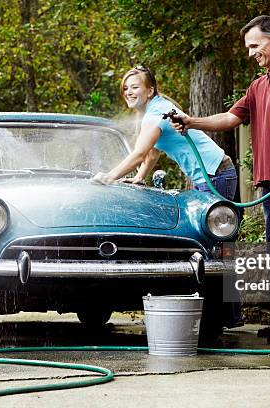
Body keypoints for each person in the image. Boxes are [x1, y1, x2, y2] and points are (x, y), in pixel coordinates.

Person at [170, 16, 270, 343]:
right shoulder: (259, 85)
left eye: (255, 45)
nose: (250, 53)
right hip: (268, 181)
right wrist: (191, 120)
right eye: (248, 48)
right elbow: (230, 118)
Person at [92, 66, 243, 329]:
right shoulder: (154, 112)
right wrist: (140, 177)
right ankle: (221, 315)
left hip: (215, 174)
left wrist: (110, 176)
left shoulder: (156, 114)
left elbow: (140, 153)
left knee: (214, 244)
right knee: (212, 244)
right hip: (214, 173)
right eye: (126, 88)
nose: (129, 91)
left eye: (135, 86)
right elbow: (151, 154)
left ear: (150, 90)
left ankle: (225, 316)